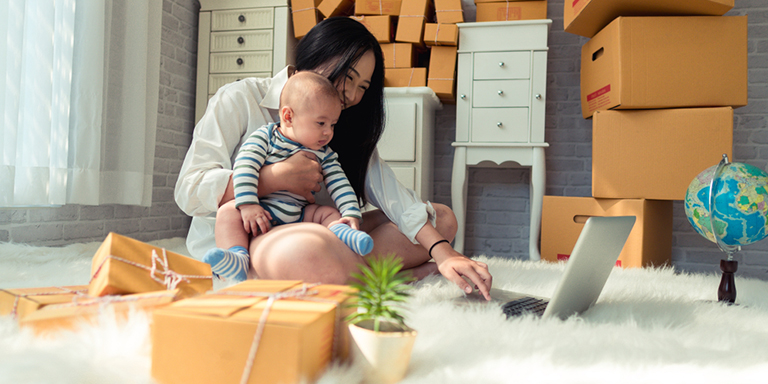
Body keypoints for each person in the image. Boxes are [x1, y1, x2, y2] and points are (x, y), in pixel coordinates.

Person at [175, 16, 493, 300]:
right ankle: (379, 277)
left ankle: (334, 275)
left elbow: (396, 199)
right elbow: (188, 190)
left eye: (363, 87)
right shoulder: (242, 99)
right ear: (316, 55)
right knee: (307, 247)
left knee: (440, 218)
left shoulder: (338, 126)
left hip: (318, 230)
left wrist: (443, 253)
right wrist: (274, 179)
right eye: (349, 77)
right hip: (253, 237)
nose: (353, 96)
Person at [203, 72, 373, 282]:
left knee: (327, 212)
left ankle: (345, 232)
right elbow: (245, 166)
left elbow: (340, 183)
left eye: (332, 125)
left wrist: (350, 213)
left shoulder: (323, 152)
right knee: (228, 212)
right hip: (262, 212)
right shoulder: (266, 137)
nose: (328, 133)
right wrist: (248, 205)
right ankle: (237, 256)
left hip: (299, 214)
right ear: (289, 117)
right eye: (321, 123)